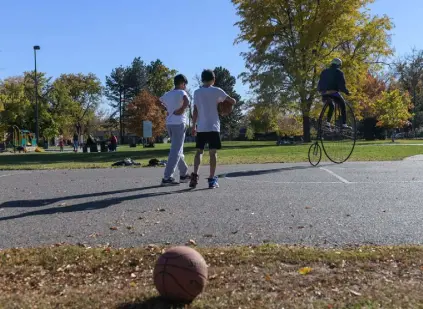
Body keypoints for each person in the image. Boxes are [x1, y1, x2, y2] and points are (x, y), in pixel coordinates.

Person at [189, 69, 236, 189]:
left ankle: (194, 176)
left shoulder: (196, 92)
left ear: (202, 79)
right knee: (213, 153)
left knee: (199, 151)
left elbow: (195, 110)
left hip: (201, 127)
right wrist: (223, 105)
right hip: (213, 126)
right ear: (213, 80)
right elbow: (233, 101)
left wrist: (193, 125)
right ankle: (211, 179)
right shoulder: (217, 91)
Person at [159, 74, 191, 186]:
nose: (185, 87)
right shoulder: (182, 92)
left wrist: (166, 109)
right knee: (176, 150)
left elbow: (159, 102)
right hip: (179, 123)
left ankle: (184, 174)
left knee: (178, 149)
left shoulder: (167, 94)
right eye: (185, 84)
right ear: (182, 83)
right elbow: (187, 102)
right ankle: (167, 177)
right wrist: (182, 109)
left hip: (169, 123)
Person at [317, 58, 351, 129]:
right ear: (338, 65)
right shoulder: (339, 72)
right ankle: (344, 124)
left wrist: (321, 91)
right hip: (334, 93)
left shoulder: (324, 71)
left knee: (331, 105)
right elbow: (342, 86)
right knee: (343, 105)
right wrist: (347, 92)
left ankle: (328, 123)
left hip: (324, 93)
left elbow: (320, 83)